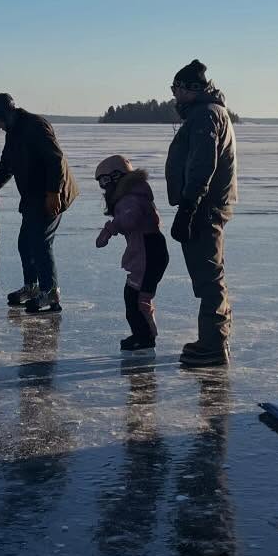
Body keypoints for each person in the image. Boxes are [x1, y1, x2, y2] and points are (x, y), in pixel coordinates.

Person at [164, 60, 238, 368]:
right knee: (209, 273)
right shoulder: (205, 114)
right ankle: (212, 340)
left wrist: (188, 208)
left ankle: (213, 345)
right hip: (205, 206)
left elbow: (202, 165)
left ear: (190, 89)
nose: (174, 96)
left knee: (209, 276)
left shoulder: (206, 116)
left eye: (176, 89)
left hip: (204, 208)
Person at [0, 92, 79, 313]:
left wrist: (53, 193)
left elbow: (55, 159)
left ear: (5, 115)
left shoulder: (36, 125)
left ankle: (51, 291)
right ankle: (32, 287)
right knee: (25, 243)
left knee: (40, 242)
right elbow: (6, 165)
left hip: (52, 193)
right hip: (33, 197)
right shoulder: (13, 132)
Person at [94, 154, 170, 351]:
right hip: (148, 251)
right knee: (138, 296)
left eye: (104, 181)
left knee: (136, 298)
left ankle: (144, 337)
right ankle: (145, 335)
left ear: (116, 177)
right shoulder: (135, 194)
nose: (103, 187)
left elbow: (129, 219)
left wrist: (109, 229)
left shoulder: (130, 198)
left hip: (148, 253)